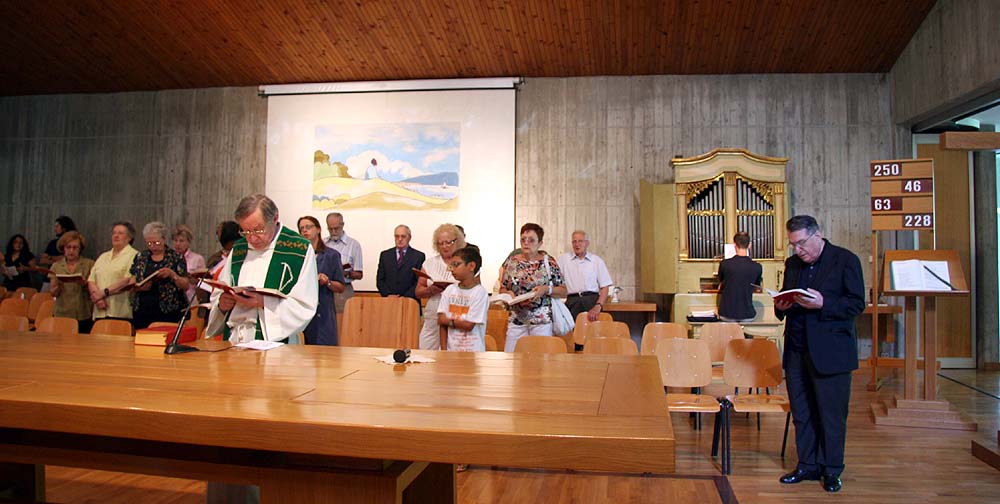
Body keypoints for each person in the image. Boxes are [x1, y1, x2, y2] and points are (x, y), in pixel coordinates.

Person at [774, 215, 864, 494]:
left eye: (802, 243)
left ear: (817, 235)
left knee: (831, 414)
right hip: (796, 349)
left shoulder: (845, 260)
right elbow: (786, 298)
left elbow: (856, 304)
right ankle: (807, 464)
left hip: (831, 351)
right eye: (793, 245)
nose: (798, 250)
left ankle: (832, 469)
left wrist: (824, 303)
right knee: (802, 413)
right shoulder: (792, 264)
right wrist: (781, 304)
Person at [206, 194, 318, 344]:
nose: (252, 238)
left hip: (274, 344)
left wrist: (264, 303)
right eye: (246, 232)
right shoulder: (239, 249)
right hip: (234, 340)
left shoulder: (299, 249)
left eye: (258, 230)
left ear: (275, 218)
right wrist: (222, 305)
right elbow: (221, 291)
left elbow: (305, 305)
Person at [499, 223, 567, 352]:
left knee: (540, 359)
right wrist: (507, 293)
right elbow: (502, 287)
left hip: (541, 321)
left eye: (531, 240)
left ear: (540, 243)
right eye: (523, 239)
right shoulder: (512, 262)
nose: (526, 243)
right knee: (511, 357)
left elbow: (563, 291)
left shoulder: (549, 262)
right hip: (517, 319)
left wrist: (546, 289)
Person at [128, 222, 190, 330]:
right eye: (149, 243)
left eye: (156, 242)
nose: (153, 246)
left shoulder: (176, 257)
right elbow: (133, 279)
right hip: (143, 309)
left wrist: (172, 274)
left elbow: (185, 285)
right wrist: (138, 287)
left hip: (168, 310)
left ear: (164, 239)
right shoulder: (141, 257)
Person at [415, 224, 466, 349]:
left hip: (457, 317)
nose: (444, 246)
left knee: (452, 354)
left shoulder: (466, 263)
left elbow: (475, 288)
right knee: (425, 352)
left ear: (457, 241)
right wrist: (430, 290)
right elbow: (418, 291)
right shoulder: (430, 263)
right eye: (440, 243)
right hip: (433, 317)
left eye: (448, 242)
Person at [298, 215, 345, 345]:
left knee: (325, 349)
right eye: (301, 229)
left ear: (318, 229)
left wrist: (327, 281)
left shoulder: (331, 255)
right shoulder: (298, 256)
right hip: (303, 312)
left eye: (308, 227)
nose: (305, 231)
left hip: (323, 310)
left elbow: (341, 287)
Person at [437, 246, 488, 352]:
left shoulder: (480, 292)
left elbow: (469, 325)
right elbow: (441, 322)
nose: (452, 269)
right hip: (451, 351)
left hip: (473, 351)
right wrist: (444, 350)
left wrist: (448, 321)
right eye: (451, 266)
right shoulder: (449, 290)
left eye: (456, 265)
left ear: (471, 266)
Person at [88, 221, 140, 323]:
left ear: (129, 238)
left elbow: (127, 280)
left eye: (120, 233)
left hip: (119, 311)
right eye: (114, 233)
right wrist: (98, 298)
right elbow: (91, 280)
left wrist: (103, 293)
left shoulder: (134, 255)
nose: (116, 236)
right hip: (99, 310)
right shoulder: (103, 256)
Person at [557, 230, 612, 321]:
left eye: (580, 241)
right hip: (572, 301)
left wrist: (598, 305)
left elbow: (605, 287)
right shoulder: (563, 260)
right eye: (574, 241)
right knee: (572, 329)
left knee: (593, 329)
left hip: (592, 301)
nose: (577, 244)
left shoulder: (596, 261)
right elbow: (555, 281)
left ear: (587, 243)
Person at [48, 231, 95, 333]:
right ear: (63, 248)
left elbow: (95, 291)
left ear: (80, 249)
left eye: (75, 247)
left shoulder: (89, 264)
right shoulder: (56, 266)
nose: (71, 251)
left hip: (83, 313)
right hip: (62, 313)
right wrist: (59, 286)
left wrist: (85, 284)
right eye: (68, 247)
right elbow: (52, 292)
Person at [717, 231, 763, 322]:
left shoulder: (724, 264)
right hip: (747, 313)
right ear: (750, 245)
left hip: (727, 313)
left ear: (734, 245)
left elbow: (721, 281)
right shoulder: (757, 267)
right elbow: (756, 286)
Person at [325, 212, 363, 315]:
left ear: (342, 225)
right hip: (324, 289)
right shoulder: (323, 244)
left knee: (344, 320)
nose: (333, 232)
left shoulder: (354, 245)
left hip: (344, 290)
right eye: (330, 229)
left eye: (336, 228)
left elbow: (359, 274)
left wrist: (345, 273)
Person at [376, 225, 425, 299]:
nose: (400, 239)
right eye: (397, 236)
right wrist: (388, 295)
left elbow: (419, 282)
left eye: (403, 236)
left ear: (409, 238)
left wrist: (404, 297)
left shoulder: (418, 256)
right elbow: (380, 280)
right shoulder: (385, 255)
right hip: (389, 300)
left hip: (410, 301)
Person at [172, 224, 207, 302]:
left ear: (188, 242)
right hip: (173, 300)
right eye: (175, 240)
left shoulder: (197, 259)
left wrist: (194, 280)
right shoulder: (169, 258)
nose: (178, 244)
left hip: (190, 299)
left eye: (181, 241)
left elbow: (204, 283)